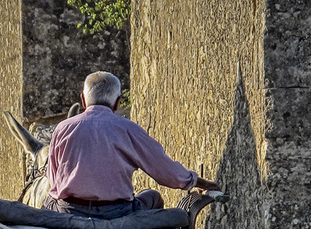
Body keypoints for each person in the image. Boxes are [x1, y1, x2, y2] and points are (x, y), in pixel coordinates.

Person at [44, 71, 220, 219]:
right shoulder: (128, 129)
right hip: (118, 213)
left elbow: (53, 179)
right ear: (118, 102)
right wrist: (197, 181)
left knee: (47, 201)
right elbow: (165, 171)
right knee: (153, 197)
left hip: (69, 212)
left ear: (83, 100)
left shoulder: (63, 129)